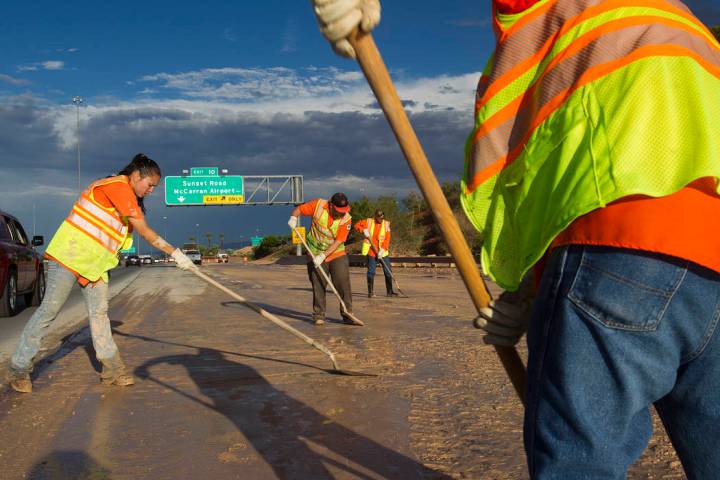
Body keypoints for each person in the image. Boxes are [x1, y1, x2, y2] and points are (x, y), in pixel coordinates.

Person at [311, 1, 720, 478]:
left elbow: (579, 174)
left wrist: (529, 288)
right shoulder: (681, 24)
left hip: (618, 246)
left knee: (578, 463)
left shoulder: (558, 15)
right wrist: (526, 295)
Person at [5, 154, 197, 393]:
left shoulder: (129, 199)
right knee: (49, 312)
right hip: (68, 257)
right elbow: (146, 232)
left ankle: (113, 370)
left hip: (94, 266)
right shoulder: (117, 186)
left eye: (154, 188)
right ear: (136, 176)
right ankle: (19, 369)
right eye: (150, 185)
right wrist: (175, 253)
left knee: (99, 315)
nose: (151, 191)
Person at [288, 193, 354, 325]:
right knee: (318, 283)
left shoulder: (346, 219)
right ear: (330, 205)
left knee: (342, 283)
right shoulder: (318, 205)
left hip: (336, 253)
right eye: (338, 211)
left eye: (343, 211)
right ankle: (319, 315)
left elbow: (339, 241)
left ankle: (347, 313)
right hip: (314, 251)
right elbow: (299, 209)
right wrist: (293, 218)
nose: (341, 214)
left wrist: (324, 255)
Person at [354, 209, 397, 297]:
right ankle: (370, 292)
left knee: (388, 272)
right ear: (376, 217)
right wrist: (363, 230)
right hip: (371, 252)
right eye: (379, 218)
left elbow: (387, 239)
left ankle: (389, 292)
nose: (381, 220)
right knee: (371, 272)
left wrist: (382, 250)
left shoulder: (386, 225)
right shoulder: (369, 222)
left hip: (383, 252)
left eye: (382, 218)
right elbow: (356, 225)